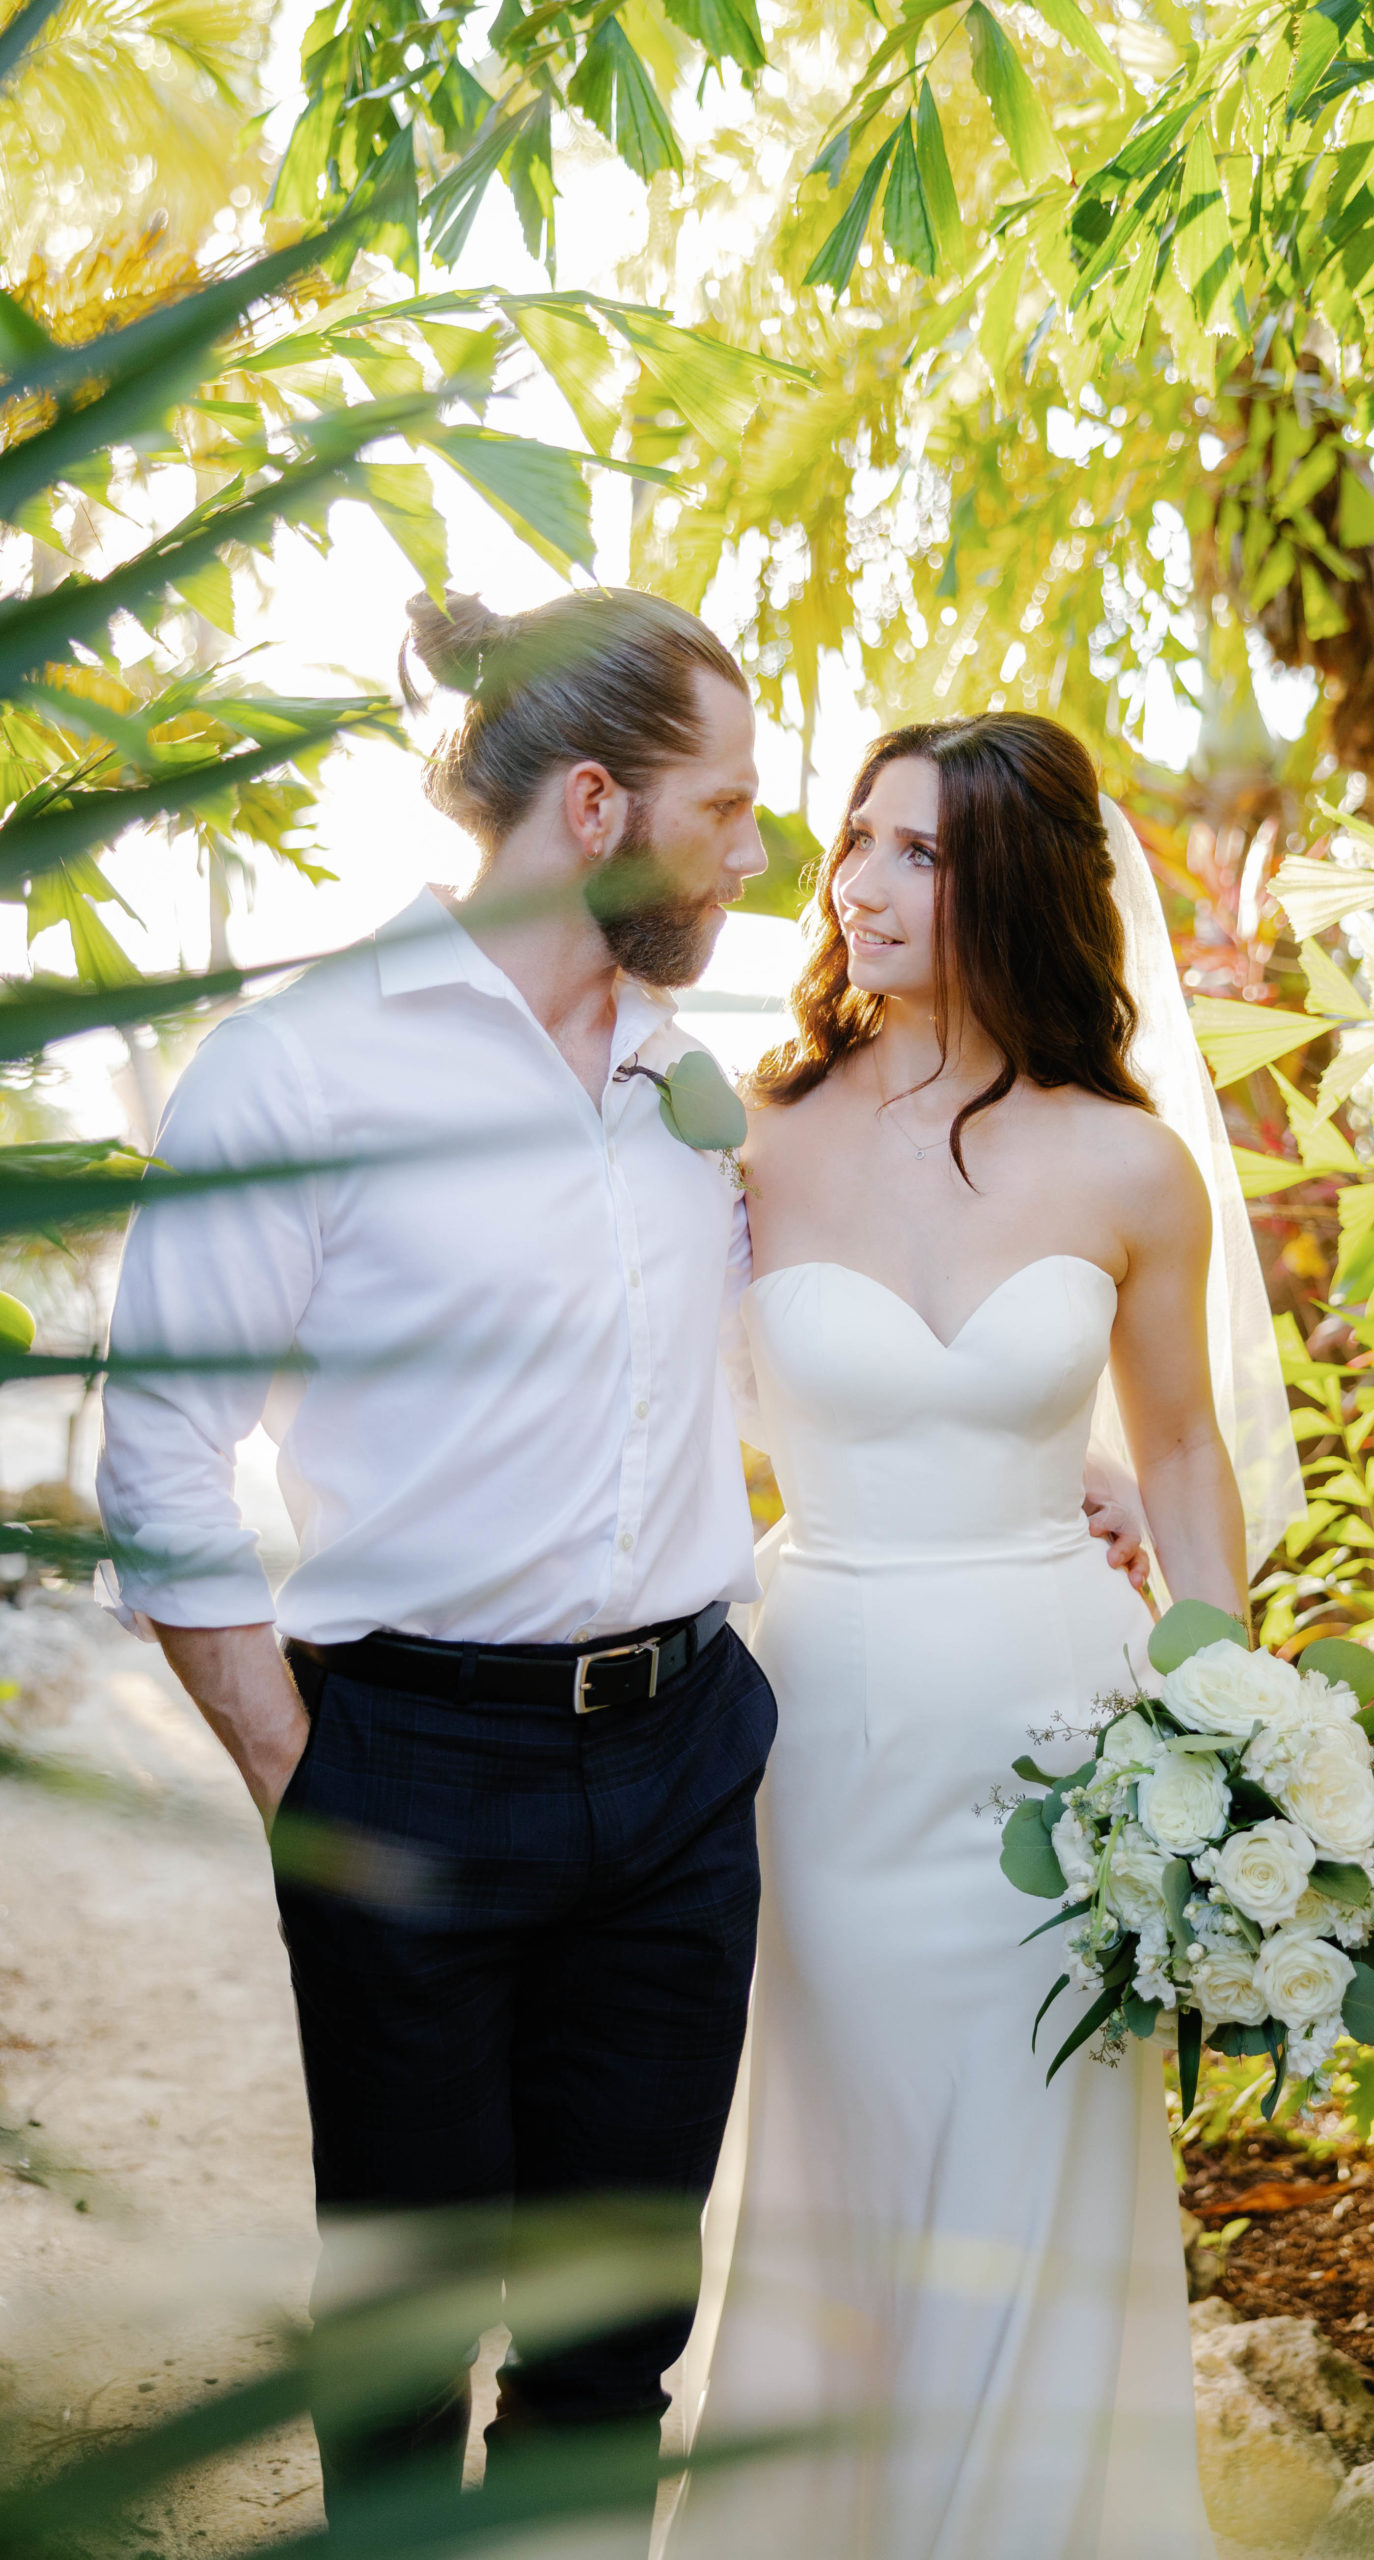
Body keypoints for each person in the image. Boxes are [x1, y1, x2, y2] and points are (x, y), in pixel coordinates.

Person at [94, 586, 785, 2510]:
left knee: (611, 2335)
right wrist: (289, 1760)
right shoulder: (303, 1070)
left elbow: (779, 1334)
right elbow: (157, 1439)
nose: (750, 849)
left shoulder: (687, 1077)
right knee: (404, 2331)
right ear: (590, 806)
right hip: (409, 1764)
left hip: (680, 1768)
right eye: (721, 808)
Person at [664, 714, 1302, 2560]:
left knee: (1042, 2155)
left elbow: (1180, 1452)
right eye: (856, 840)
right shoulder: (751, 1139)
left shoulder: (1124, 1165)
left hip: (1065, 1739)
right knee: (842, 2154)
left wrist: (1231, 1739)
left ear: (1009, 884)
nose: (859, 883)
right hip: (828, 1726)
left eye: (919, 854)